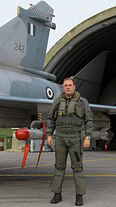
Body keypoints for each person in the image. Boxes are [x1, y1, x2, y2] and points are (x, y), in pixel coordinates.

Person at [46, 77, 94, 206]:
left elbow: (89, 121)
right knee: (59, 166)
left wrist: (87, 137)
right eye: (65, 85)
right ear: (63, 87)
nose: (68, 87)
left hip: (75, 138)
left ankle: (79, 196)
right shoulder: (57, 102)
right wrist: (49, 135)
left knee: (78, 167)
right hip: (60, 137)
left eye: (70, 85)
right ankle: (57, 194)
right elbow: (50, 120)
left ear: (74, 87)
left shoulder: (83, 102)